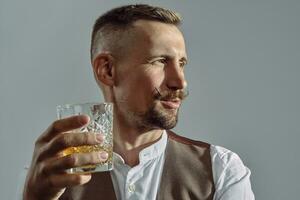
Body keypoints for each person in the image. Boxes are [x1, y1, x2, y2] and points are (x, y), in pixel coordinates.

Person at [22, 4, 255, 200]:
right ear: (108, 70)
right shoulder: (57, 174)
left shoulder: (221, 170)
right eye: (161, 61)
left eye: (182, 63)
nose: (180, 82)